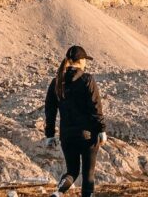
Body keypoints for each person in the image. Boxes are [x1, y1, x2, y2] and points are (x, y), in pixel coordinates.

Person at [44, 45, 107, 197]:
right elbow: (95, 106)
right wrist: (102, 129)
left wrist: (50, 135)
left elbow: (50, 111)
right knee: (88, 175)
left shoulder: (56, 82)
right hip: (88, 135)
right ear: (80, 61)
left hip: (67, 136)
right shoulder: (87, 79)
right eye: (85, 60)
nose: (86, 63)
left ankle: (58, 193)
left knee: (72, 171)